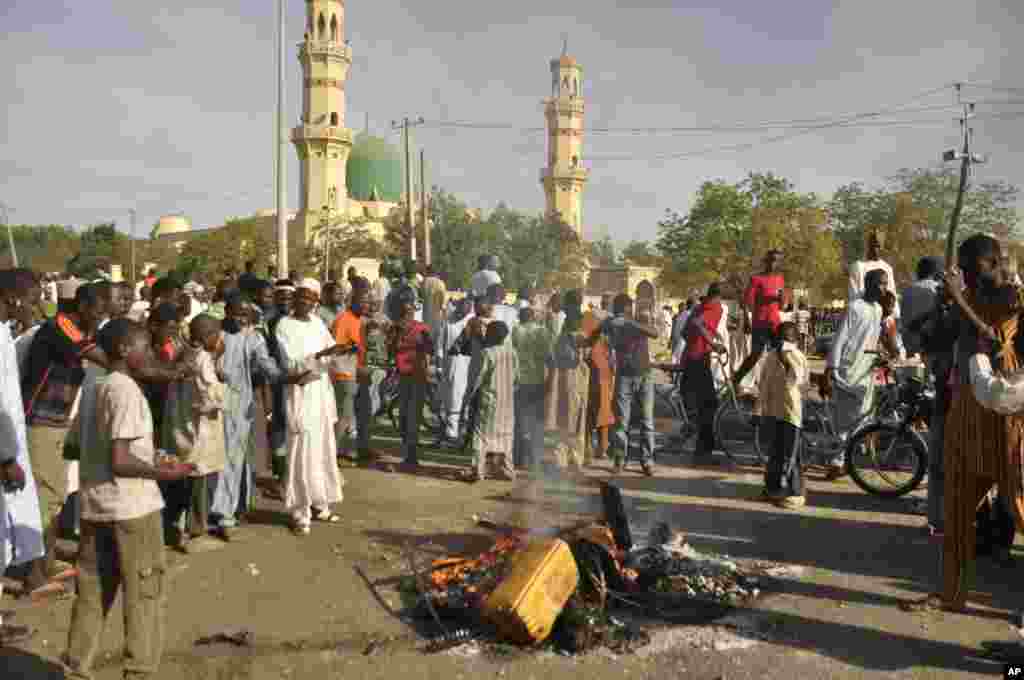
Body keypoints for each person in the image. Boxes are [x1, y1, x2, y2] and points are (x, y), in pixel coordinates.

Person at [62, 318, 196, 680]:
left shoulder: (94, 386)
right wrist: (165, 473)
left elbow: (74, 446)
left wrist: (151, 455)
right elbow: (121, 461)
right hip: (132, 510)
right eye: (144, 346)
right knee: (145, 594)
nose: (149, 352)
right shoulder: (126, 391)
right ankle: (138, 673)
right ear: (124, 349)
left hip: (95, 507)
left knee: (92, 594)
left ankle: (76, 669)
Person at [21, 281, 108, 594]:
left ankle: (48, 561)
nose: (101, 316)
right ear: (82, 306)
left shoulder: (74, 329)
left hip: (55, 422)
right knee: (46, 498)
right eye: (99, 310)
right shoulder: (62, 328)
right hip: (41, 422)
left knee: (55, 495)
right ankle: (34, 576)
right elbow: (102, 357)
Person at [274, 280, 348, 535]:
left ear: (316, 301)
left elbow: (328, 354)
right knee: (301, 452)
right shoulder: (284, 325)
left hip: (320, 393)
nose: (306, 302)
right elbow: (292, 364)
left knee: (322, 449)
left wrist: (338, 351)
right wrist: (321, 355)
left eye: (311, 298)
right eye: (302, 297)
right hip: (301, 392)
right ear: (295, 299)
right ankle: (299, 512)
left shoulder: (318, 323)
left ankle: (320, 504)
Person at [211, 296, 285, 539]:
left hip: (240, 405)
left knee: (237, 458)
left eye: (244, 315)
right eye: (236, 313)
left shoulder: (253, 337)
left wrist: (284, 376)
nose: (240, 319)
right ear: (227, 311)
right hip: (213, 402)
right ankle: (218, 512)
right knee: (217, 458)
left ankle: (231, 511)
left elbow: (265, 364)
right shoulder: (214, 333)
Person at [0, 270, 44, 644]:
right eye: (31, 298)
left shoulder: (4, 333)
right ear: (12, 297)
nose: (33, 305)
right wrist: (6, 457)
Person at [159, 314, 227, 553]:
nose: (219, 339)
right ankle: (195, 533)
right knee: (202, 483)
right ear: (208, 336)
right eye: (216, 334)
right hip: (201, 432)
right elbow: (210, 397)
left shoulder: (182, 354)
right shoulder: (203, 360)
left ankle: (174, 529)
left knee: (180, 482)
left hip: (180, 429)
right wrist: (224, 388)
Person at [821, 269, 895, 480]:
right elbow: (839, 340)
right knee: (845, 417)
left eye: (886, 283)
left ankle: (845, 460)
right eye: (881, 283)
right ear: (869, 284)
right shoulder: (855, 307)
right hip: (848, 368)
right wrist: (831, 369)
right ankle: (836, 463)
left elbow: (874, 339)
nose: (884, 287)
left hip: (866, 369)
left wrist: (885, 356)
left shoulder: (877, 310)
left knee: (862, 416)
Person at [601, 294, 659, 475]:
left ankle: (647, 461)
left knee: (647, 422)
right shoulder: (611, 324)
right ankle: (619, 460)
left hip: (644, 376)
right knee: (621, 423)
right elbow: (599, 331)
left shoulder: (636, 321)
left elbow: (655, 333)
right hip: (624, 376)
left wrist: (630, 323)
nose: (618, 312)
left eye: (621, 309)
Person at [758, 322, 808, 509]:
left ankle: (796, 492)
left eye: (787, 339)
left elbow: (799, 379)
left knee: (792, 455)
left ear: (794, 341)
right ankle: (772, 487)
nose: (783, 344)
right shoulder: (770, 358)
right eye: (780, 339)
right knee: (775, 453)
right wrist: (758, 411)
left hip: (792, 415)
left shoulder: (798, 357)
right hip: (773, 412)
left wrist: (786, 358)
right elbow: (763, 385)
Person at [464, 321, 519, 482]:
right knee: (505, 436)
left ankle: (477, 470)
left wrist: (468, 397)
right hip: (507, 403)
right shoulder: (512, 353)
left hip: (489, 401)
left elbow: (477, 380)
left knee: (481, 436)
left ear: (492, 335)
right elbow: (516, 378)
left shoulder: (486, 353)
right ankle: (507, 470)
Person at [544, 290, 589, 472]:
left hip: (570, 374)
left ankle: (565, 458)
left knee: (566, 415)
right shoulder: (571, 321)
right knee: (573, 416)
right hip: (572, 374)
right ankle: (571, 458)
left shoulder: (570, 322)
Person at [683, 283, 728, 464]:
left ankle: (701, 447)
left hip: (693, 357)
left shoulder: (699, 307)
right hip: (699, 359)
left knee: (704, 405)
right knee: (709, 405)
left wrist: (710, 336)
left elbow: (686, 332)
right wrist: (713, 343)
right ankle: (702, 452)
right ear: (721, 294)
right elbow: (698, 324)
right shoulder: (715, 307)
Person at [390, 286, 433, 467]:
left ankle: (411, 453)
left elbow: (429, 350)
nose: (408, 312)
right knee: (404, 416)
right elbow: (391, 349)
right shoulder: (395, 328)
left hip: (418, 376)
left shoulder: (422, 328)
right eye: (405, 308)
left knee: (413, 415)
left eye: (410, 308)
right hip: (402, 376)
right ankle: (408, 448)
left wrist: (428, 370)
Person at [733, 250, 786, 388]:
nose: (774, 263)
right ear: (766, 261)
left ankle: (784, 385)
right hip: (760, 322)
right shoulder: (756, 279)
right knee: (755, 355)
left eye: (777, 260)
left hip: (775, 322)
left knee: (781, 353)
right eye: (772, 260)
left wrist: (782, 300)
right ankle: (735, 380)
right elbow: (745, 301)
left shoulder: (780, 278)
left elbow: (782, 305)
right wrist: (746, 320)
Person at [510, 307, 552, 469]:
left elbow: (511, 355)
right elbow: (550, 358)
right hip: (538, 382)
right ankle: (535, 459)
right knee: (537, 423)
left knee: (520, 422)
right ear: (533, 318)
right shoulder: (542, 332)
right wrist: (549, 381)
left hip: (520, 383)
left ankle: (520, 458)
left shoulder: (515, 331)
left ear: (520, 317)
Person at [330, 282, 367, 461]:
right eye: (363, 302)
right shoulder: (344, 319)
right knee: (343, 417)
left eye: (368, 302)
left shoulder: (358, 320)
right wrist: (351, 347)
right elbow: (335, 348)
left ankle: (341, 451)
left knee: (348, 416)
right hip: (343, 374)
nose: (366, 305)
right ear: (352, 301)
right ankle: (332, 454)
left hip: (353, 373)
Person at [581, 297, 614, 461]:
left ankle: (589, 449)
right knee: (603, 410)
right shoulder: (609, 322)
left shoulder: (588, 320)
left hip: (593, 370)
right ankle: (601, 448)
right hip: (602, 371)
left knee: (590, 410)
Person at [900, 256, 943, 358]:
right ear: (936, 271)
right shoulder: (938, 289)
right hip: (930, 347)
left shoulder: (907, 290)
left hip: (909, 344)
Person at [849, 228, 898, 318]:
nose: (875, 249)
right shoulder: (858, 266)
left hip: (885, 319)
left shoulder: (887, 268)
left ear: (882, 247)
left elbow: (892, 295)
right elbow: (854, 296)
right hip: (865, 316)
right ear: (868, 245)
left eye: (878, 246)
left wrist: (894, 317)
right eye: (873, 246)